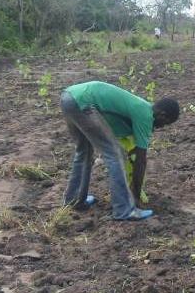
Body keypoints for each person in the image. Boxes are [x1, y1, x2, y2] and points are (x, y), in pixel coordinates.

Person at [60, 81, 179, 220]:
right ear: (162, 115)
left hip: (69, 96)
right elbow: (140, 160)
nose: (161, 127)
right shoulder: (146, 115)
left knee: (84, 152)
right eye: (165, 124)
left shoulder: (141, 106)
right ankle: (124, 209)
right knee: (115, 155)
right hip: (84, 102)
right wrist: (135, 194)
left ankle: (74, 200)